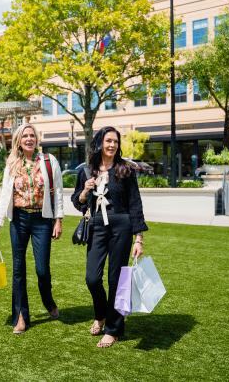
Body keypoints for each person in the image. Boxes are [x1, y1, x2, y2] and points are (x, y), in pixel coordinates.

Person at [71, 126, 148, 348]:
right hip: (96, 226)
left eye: (115, 141)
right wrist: (85, 191)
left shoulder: (125, 169)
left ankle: (114, 329)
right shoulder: (86, 170)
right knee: (92, 278)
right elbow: (78, 202)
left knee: (117, 279)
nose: (112, 145)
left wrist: (138, 238)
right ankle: (101, 314)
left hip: (121, 226)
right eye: (108, 141)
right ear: (99, 143)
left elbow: (135, 204)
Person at [0, 123, 64, 334]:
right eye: (25, 136)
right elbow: (6, 195)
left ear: (37, 139)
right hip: (19, 220)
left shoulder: (49, 162)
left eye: (32, 135)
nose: (29, 139)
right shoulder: (12, 163)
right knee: (18, 270)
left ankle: (48, 300)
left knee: (42, 270)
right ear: (19, 141)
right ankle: (21, 317)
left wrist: (58, 220)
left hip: (42, 220)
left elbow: (58, 191)